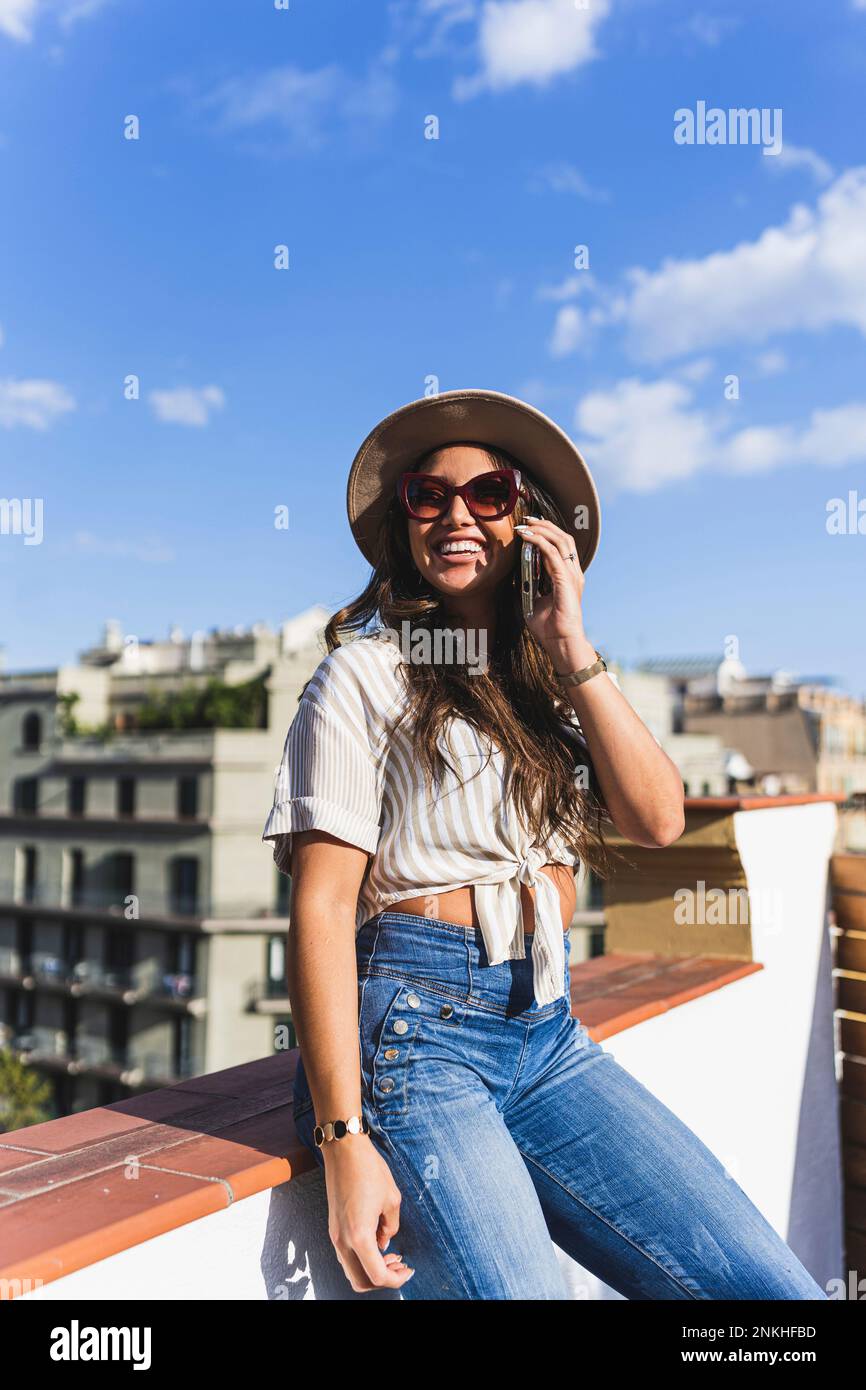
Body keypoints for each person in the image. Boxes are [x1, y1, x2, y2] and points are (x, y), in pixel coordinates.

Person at [263, 388, 827, 1302]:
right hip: (417, 1038)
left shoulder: (545, 689)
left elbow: (659, 819)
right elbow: (322, 908)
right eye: (427, 495)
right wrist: (344, 1140)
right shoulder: (363, 673)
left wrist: (569, 641)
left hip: (549, 1032)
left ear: (524, 520)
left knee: (774, 1299)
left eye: (487, 493)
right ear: (402, 518)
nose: (455, 515)